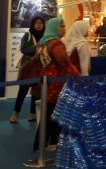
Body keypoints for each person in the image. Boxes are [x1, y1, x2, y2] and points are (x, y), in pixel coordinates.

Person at [33, 18, 79, 151]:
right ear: (55, 28)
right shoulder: (56, 44)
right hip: (56, 84)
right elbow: (65, 63)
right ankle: (47, 142)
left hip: (46, 83)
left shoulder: (43, 43)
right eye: (61, 26)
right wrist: (78, 77)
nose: (64, 28)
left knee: (48, 113)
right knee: (53, 114)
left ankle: (43, 142)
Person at [9, 16, 45, 123]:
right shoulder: (27, 35)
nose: (39, 25)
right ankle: (16, 113)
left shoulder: (45, 37)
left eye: (41, 23)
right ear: (33, 24)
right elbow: (23, 49)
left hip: (40, 68)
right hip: (28, 68)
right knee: (22, 91)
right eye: (37, 23)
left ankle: (32, 114)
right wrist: (35, 47)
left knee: (36, 92)